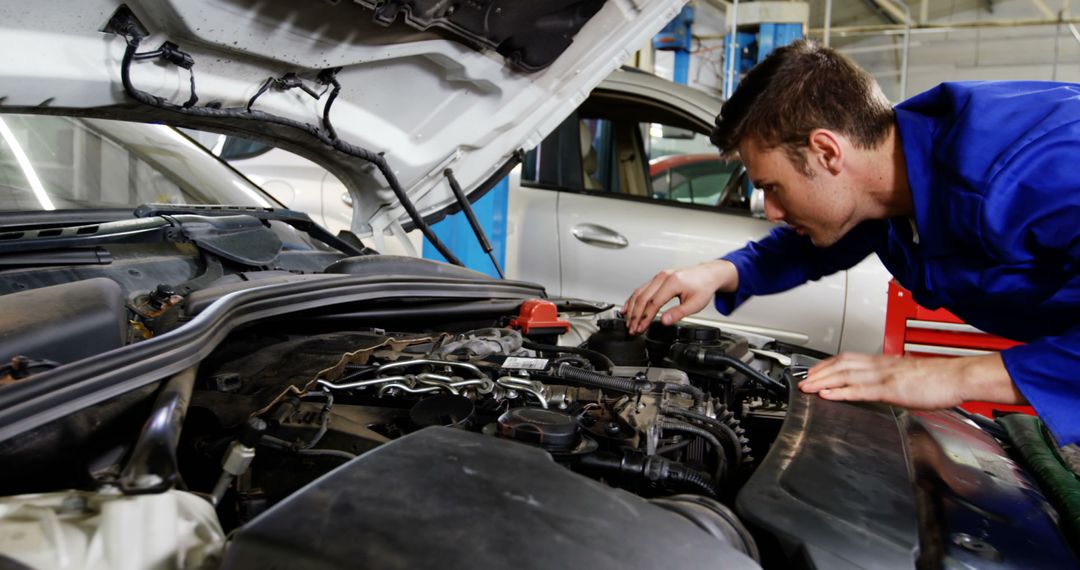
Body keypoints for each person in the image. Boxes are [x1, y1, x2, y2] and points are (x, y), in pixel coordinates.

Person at [621, 39, 1080, 445]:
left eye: (773, 187)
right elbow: (818, 237)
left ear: (826, 152)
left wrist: (952, 375)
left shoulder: (1032, 170)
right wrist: (721, 271)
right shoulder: (889, 179)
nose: (773, 212)